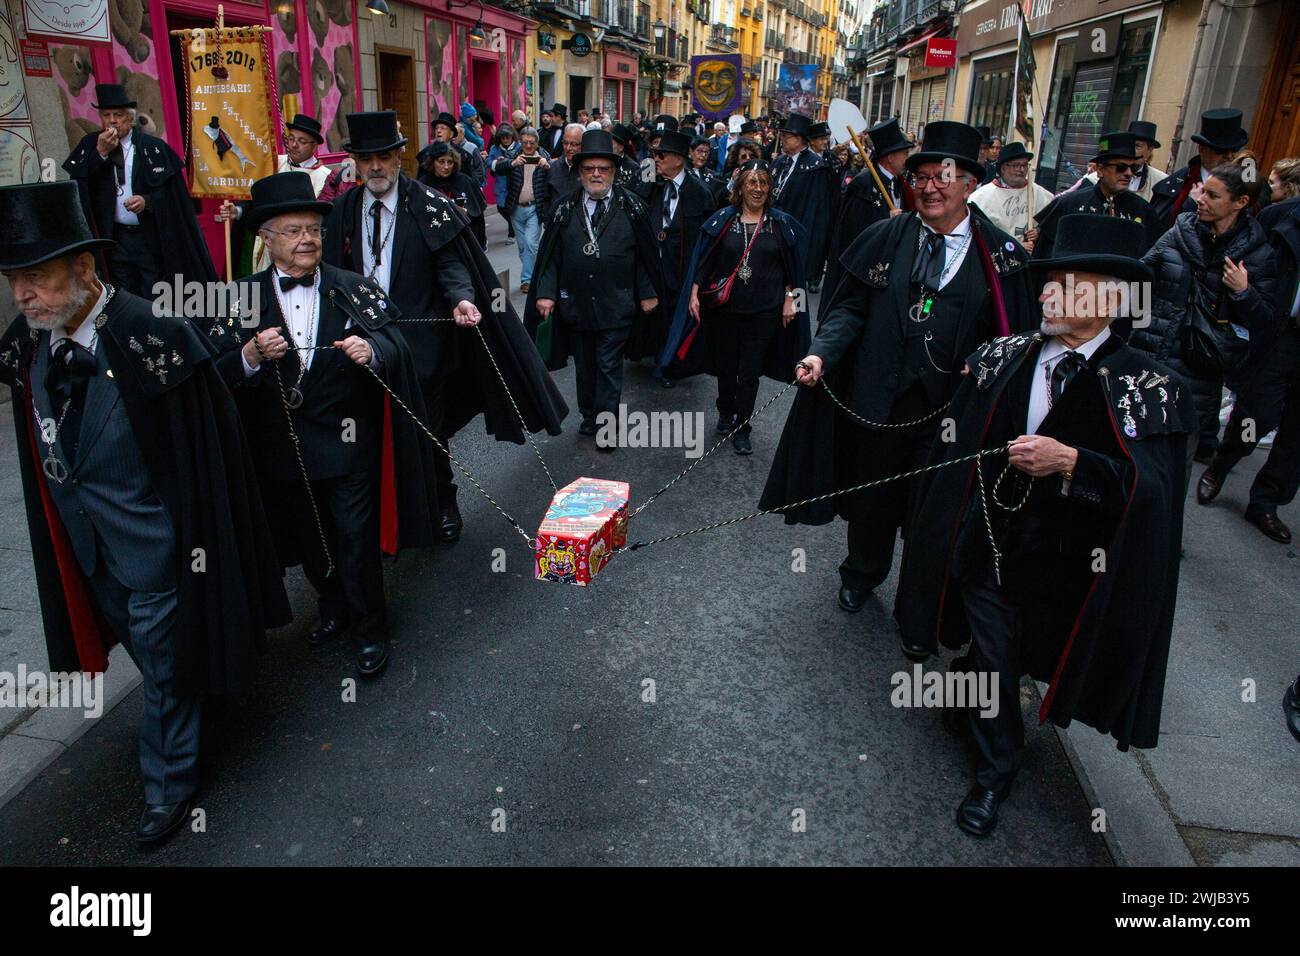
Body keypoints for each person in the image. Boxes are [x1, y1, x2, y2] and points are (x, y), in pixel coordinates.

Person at [0, 181, 289, 844]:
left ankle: (168, 787)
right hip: (91, 551)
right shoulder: (33, 342)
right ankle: (198, 691)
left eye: (36, 279)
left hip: (161, 549)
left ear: (83, 268)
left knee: (162, 671)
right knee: (155, 658)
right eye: (14, 281)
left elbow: (211, 448)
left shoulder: (152, 335)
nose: (23, 296)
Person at [896, 215, 1195, 836]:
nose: (1046, 295)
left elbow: (1152, 493)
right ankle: (996, 770)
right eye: (1048, 282)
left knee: (1027, 655)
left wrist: (1073, 462)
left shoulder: (1148, 384)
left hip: (1074, 566)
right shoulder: (1004, 355)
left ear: (1111, 299)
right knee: (999, 656)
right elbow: (951, 440)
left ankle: (968, 692)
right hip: (987, 542)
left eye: (1066, 285)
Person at [760, 121, 1035, 617]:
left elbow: (1013, 337)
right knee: (874, 501)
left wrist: (986, 367)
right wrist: (822, 352)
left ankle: (921, 598)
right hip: (879, 403)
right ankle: (862, 572)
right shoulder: (884, 238)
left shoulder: (1002, 257)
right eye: (921, 177)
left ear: (970, 184)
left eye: (942, 177)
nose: (929, 187)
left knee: (934, 510)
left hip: (950, 414)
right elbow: (848, 310)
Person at [216, 170, 440, 678]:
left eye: (313, 230)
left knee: (355, 537)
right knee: (309, 538)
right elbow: (213, 373)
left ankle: (370, 627)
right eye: (293, 231)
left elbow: (397, 343)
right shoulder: (238, 298)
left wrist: (373, 349)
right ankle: (333, 606)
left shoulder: (353, 289)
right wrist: (248, 354)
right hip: (283, 449)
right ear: (265, 238)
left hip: (347, 443)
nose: (306, 240)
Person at [323, 111, 568, 542]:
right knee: (369, 433)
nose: (375, 167)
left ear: (399, 157)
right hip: (361, 344)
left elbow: (453, 264)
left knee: (428, 435)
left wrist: (463, 299)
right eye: (366, 158)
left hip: (422, 349)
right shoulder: (344, 209)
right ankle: (385, 515)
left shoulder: (429, 206)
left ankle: (442, 501)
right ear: (355, 162)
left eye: (383, 156)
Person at [1135, 157, 1276, 484]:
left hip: (1198, 371)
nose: (1201, 199)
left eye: (1213, 196)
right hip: (1148, 353)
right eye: (1204, 192)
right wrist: (1143, 325)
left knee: (1174, 465)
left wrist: (1243, 292)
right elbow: (1141, 277)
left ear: (1240, 203)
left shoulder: (1256, 254)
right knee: (1130, 449)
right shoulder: (1180, 231)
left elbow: (1265, 320)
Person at [657, 160, 810, 455]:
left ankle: (743, 425)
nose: (757, 189)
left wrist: (794, 301)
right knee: (726, 367)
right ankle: (725, 412)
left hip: (764, 312)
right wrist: (692, 294)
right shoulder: (722, 222)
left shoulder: (780, 225)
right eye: (751, 183)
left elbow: (796, 272)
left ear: (770, 188)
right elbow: (702, 264)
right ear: (739, 188)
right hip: (725, 311)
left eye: (763, 183)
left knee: (750, 372)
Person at [526, 130, 660, 447]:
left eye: (603, 169)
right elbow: (551, 257)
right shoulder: (563, 208)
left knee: (609, 367)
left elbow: (645, 256)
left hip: (618, 303)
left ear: (613, 172)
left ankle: (606, 427)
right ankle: (589, 417)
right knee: (585, 367)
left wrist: (647, 291)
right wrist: (545, 292)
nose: (596, 174)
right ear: (580, 172)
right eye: (590, 169)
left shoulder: (632, 207)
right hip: (577, 304)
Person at [1196, 183, 1298, 543]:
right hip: (1280, 334)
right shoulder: (1282, 217)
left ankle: (1267, 502)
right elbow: (1253, 260)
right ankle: (1222, 464)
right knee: (1259, 414)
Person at [62, 83, 216, 296]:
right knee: (122, 292)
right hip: (113, 239)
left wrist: (148, 201)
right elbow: (81, 187)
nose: (112, 120)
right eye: (106, 115)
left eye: (118, 114)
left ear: (130, 118)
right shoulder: (92, 144)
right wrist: (100, 154)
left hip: (148, 237)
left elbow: (173, 196)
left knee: (154, 289)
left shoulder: (151, 146)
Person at [626, 129, 714, 387]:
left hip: (682, 267)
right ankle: (654, 355)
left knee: (676, 314)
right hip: (654, 264)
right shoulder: (651, 182)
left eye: (660, 155)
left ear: (678, 158)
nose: (656, 159)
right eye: (653, 154)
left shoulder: (700, 192)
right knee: (654, 311)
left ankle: (668, 363)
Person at [216, 113, 333, 274]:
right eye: (291, 139)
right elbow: (256, 200)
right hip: (268, 246)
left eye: (301, 141)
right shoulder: (274, 163)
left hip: (300, 248)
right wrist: (237, 211)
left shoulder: (325, 177)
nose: (293, 145)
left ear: (314, 146)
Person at [1032, 131, 1159, 262]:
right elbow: (1042, 259)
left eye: (1133, 167)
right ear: (1100, 169)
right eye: (1121, 167)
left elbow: (1150, 263)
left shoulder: (1144, 211)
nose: (1128, 173)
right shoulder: (1068, 205)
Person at [825, 117, 914, 296]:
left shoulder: (898, 183)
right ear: (890, 157)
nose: (907, 157)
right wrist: (887, 221)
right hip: (861, 270)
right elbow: (854, 231)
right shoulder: (863, 184)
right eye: (904, 153)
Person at [1152, 109, 1252, 229]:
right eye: (1221, 150)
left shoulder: (1248, 186)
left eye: (1234, 149)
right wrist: (1191, 205)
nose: (1229, 156)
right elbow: (1158, 230)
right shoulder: (1174, 185)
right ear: (1202, 149)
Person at [770, 113, 836, 293]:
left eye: (786, 136)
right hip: (774, 237)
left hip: (798, 239)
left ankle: (798, 319)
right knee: (775, 288)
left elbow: (816, 213)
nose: (781, 139)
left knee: (796, 291)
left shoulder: (816, 167)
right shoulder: (779, 163)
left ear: (799, 139)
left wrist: (809, 249)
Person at [494, 126, 552, 293]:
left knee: (531, 245)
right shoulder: (514, 155)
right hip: (516, 209)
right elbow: (498, 168)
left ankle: (527, 280)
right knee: (522, 247)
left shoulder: (544, 157)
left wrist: (546, 166)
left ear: (537, 143)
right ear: (520, 141)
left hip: (535, 208)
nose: (528, 146)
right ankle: (532, 273)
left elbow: (555, 173)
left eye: (531, 143)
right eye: (525, 142)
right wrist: (513, 163)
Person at [970, 141, 1054, 252]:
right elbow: (980, 235)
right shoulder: (982, 197)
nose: (1022, 170)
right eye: (1016, 165)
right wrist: (1014, 247)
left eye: (1024, 165)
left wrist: (1039, 232)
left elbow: (1052, 224)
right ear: (1003, 168)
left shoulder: (1039, 193)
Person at [1081, 120, 1167, 202]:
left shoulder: (1161, 182)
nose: (1131, 151)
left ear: (1149, 150)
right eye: (1120, 167)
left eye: (1137, 146)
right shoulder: (1093, 180)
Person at [419, 142, 488, 242]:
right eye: (441, 161)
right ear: (433, 162)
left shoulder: (465, 181)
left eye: (450, 162)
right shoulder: (423, 185)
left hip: (464, 240)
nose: (446, 166)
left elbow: (478, 218)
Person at [487, 123, 521, 243]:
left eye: (508, 137)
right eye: (503, 137)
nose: (506, 140)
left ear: (512, 136)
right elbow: (489, 163)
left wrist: (510, 162)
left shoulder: (518, 146)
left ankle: (512, 233)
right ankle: (514, 226)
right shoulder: (494, 148)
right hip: (501, 182)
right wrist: (497, 163)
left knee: (512, 207)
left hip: (515, 182)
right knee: (501, 208)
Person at [545, 123, 585, 218]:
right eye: (565, 143)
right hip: (556, 226)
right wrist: (548, 219)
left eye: (574, 144)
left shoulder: (589, 169)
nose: (568, 148)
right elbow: (546, 198)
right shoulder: (552, 167)